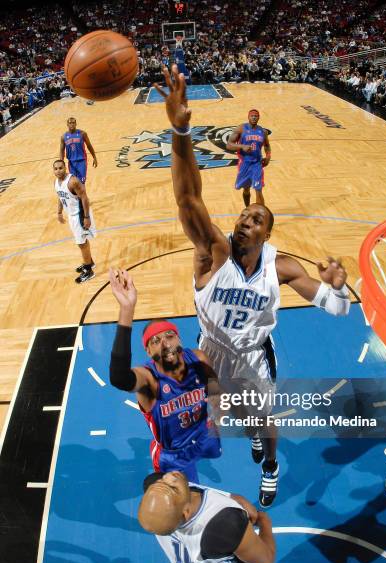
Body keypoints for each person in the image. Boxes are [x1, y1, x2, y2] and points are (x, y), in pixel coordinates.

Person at [154, 65, 351, 508]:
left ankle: (270, 465)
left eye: (256, 219)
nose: (246, 219)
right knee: (224, 422)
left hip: (252, 359)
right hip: (207, 355)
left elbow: (337, 311)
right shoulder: (212, 253)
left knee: (260, 422)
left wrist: (338, 288)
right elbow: (188, 198)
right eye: (244, 216)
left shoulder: (281, 266)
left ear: (267, 233)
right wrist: (179, 131)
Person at [109, 269, 222, 483]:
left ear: (179, 340)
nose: (165, 343)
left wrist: (216, 412)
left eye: (169, 336)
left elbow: (214, 387)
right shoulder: (149, 380)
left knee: (214, 451)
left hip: (203, 434)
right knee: (188, 505)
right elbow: (119, 378)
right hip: (174, 455)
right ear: (149, 353)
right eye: (155, 341)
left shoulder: (198, 358)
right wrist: (127, 308)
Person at [139, 470, 275, 563]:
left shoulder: (158, 504)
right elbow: (266, 560)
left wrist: (235, 498)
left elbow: (190, 492)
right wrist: (265, 522)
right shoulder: (224, 524)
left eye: (163, 482)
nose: (170, 477)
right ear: (186, 513)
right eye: (173, 489)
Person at [53, 159, 96, 283]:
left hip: (80, 215)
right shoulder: (56, 182)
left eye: (60, 168)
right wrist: (59, 212)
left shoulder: (73, 181)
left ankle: (89, 271)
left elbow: (85, 198)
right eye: (55, 168)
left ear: (65, 168)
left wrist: (86, 217)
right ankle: (90, 262)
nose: (58, 171)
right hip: (71, 215)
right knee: (82, 241)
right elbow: (60, 197)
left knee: (81, 243)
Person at [227, 109, 271, 207]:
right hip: (244, 163)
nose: (254, 117)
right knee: (246, 189)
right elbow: (229, 145)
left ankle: (261, 215)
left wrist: (268, 157)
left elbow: (267, 146)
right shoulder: (241, 128)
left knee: (258, 189)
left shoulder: (263, 131)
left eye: (256, 116)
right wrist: (242, 146)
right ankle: (247, 208)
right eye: (252, 116)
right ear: (248, 117)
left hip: (257, 163)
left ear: (259, 117)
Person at [59, 117, 97, 184]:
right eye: (70, 123)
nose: (72, 124)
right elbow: (62, 151)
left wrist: (94, 157)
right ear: (67, 124)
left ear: (76, 124)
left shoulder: (82, 134)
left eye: (73, 123)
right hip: (71, 163)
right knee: (73, 183)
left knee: (81, 182)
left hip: (81, 161)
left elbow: (89, 146)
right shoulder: (63, 137)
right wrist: (61, 162)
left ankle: (82, 194)